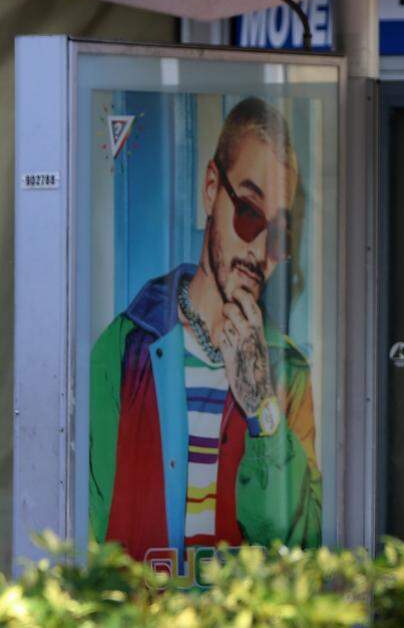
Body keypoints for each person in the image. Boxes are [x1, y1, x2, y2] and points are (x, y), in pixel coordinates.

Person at [89, 97, 321, 561]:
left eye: (278, 234)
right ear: (211, 189)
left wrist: (261, 409)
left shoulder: (288, 368)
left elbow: (302, 543)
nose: (260, 252)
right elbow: (91, 528)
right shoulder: (122, 348)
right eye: (250, 213)